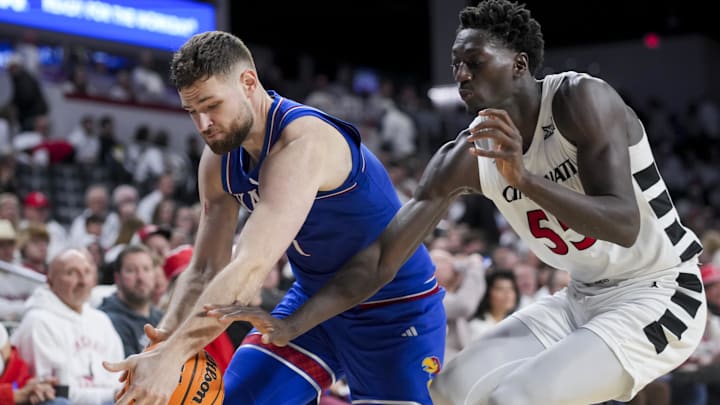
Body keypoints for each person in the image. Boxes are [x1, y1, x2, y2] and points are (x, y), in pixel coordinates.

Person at [206, 1, 707, 404]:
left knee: (514, 398)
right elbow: (382, 259)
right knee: (447, 390)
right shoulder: (464, 155)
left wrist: (525, 179)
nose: (462, 76)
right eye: (456, 67)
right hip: (582, 296)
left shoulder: (582, 100)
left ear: (519, 65)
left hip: (659, 290)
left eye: (475, 63)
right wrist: (296, 323)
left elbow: (622, 223)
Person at [104, 30, 445, 405]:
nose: (202, 124)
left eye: (211, 105)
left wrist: (172, 361)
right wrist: (164, 342)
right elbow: (204, 269)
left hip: (393, 308)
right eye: (192, 111)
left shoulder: (303, 143)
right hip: (312, 302)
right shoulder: (219, 156)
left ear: (249, 82)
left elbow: (250, 269)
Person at [12, 248, 124, 405]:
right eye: (72, 273)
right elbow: (52, 393)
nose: (83, 281)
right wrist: (111, 396)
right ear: (50, 281)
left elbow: (119, 376)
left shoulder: (101, 320)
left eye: (87, 272)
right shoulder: (38, 322)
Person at [99, 244, 163, 357]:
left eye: (146, 269)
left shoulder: (161, 317)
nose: (141, 277)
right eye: (131, 270)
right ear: (117, 278)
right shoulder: (107, 321)